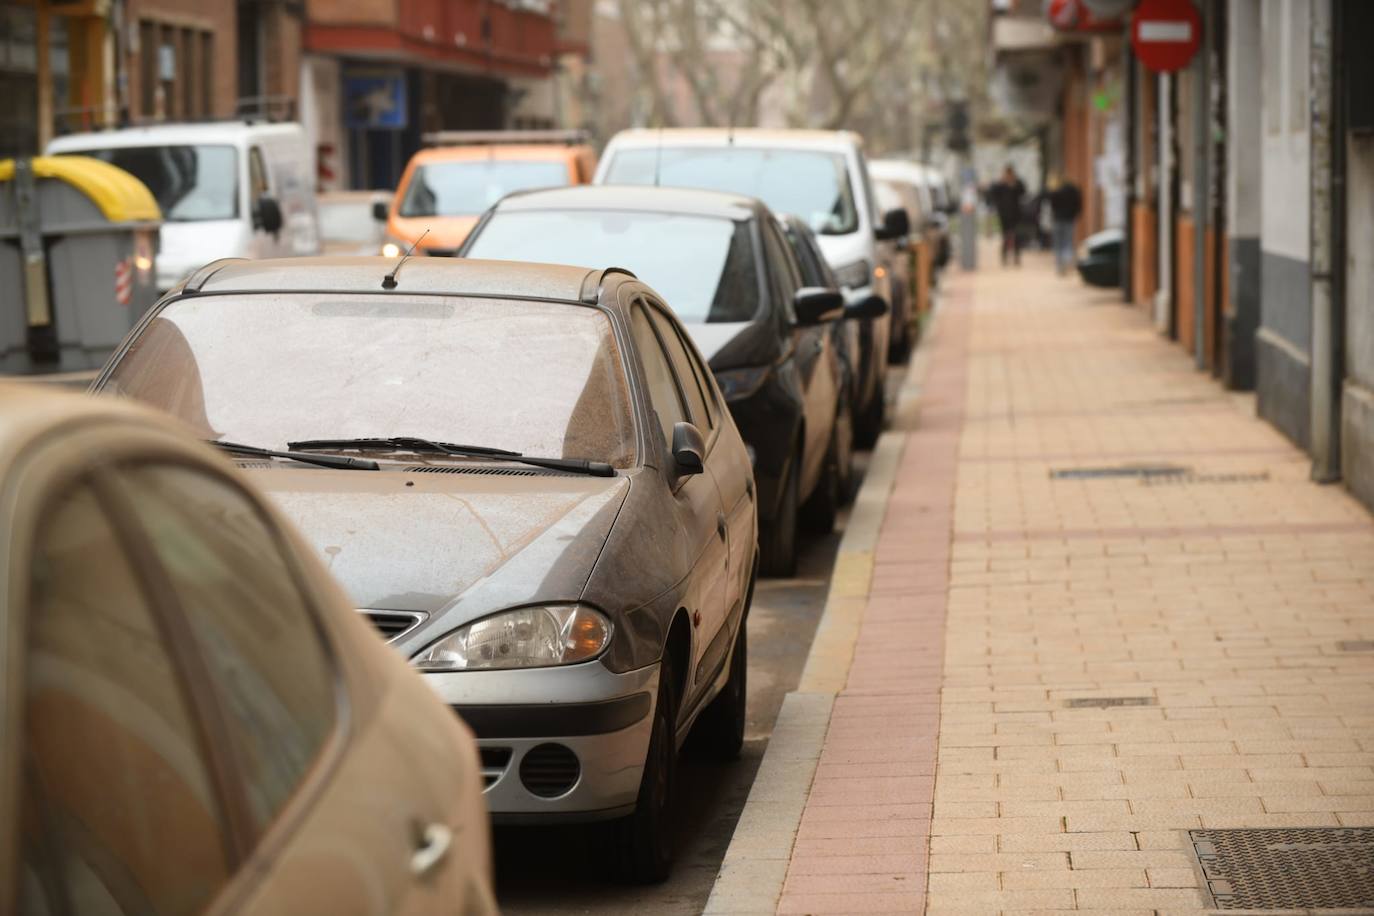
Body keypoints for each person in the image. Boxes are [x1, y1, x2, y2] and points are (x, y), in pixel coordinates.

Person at [986, 166, 1027, 266]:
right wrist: (1001, 183)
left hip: (1016, 214)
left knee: (1017, 236)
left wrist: (1014, 184)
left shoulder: (1017, 183)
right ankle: (1004, 256)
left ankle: (1016, 257)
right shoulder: (1000, 184)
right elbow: (992, 193)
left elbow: (1023, 191)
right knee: (1005, 236)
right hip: (1004, 215)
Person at [1046, 174, 1083, 276]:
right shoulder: (1074, 190)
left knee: (1058, 244)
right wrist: (1076, 214)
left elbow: (1051, 203)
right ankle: (1067, 261)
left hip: (1057, 219)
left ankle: (1059, 266)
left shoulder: (1055, 190)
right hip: (1069, 219)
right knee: (1068, 242)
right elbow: (1079, 204)